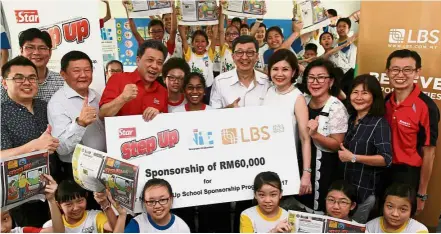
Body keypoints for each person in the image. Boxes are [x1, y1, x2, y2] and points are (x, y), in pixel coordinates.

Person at [1, 56, 60, 227]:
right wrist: (35, 146)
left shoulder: (46, 106)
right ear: (5, 83)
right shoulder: (2, 113)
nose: (27, 82)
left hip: (53, 189)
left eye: (32, 77)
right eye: (18, 78)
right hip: (21, 197)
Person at [384, 49, 440, 213]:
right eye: (395, 69)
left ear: (417, 72)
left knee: (398, 220)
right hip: (382, 167)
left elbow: (429, 154)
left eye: (407, 69)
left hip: (408, 174)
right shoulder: (387, 100)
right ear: (388, 72)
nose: (400, 74)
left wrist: (421, 193)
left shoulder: (426, 107)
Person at [295, 59, 349, 213]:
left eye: (321, 77)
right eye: (311, 77)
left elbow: (337, 144)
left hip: (323, 171)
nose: (315, 82)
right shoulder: (303, 100)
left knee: (316, 213)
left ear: (330, 81)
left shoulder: (336, 107)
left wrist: (315, 135)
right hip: (301, 165)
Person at [338, 74, 392, 223]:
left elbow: (386, 159)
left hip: (364, 194)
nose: (359, 97)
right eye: (355, 92)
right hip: (344, 193)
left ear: (374, 97)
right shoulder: (349, 119)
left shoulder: (379, 123)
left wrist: (354, 157)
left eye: (365, 93)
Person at [48, 51, 106, 179]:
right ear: (63, 74)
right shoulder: (57, 102)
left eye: (87, 70)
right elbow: (61, 148)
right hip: (77, 170)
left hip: (103, 164)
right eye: (76, 71)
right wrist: (80, 123)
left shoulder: (95, 95)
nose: (83, 75)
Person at [263, 49, 312, 196]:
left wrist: (306, 173)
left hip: (286, 163)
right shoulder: (269, 91)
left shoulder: (297, 98)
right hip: (265, 159)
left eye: (285, 69)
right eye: (275, 69)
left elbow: (305, 139)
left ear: (293, 72)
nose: (279, 74)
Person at [99, 40, 169, 121]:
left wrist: (159, 116)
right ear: (138, 61)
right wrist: (123, 98)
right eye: (150, 60)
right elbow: (102, 114)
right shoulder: (117, 79)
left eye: (159, 63)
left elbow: (164, 125)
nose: (154, 66)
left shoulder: (163, 92)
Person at [0, 28, 64, 102]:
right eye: (30, 47)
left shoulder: (62, 82)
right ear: (21, 51)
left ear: (50, 52)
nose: (36, 52)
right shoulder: (6, 82)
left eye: (42, 48)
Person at [210, 36, 270, 109]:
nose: (244, 57)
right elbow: (214, 114)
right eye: (239, 52)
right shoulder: (220, 82)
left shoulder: (267, 82)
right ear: (233, 56)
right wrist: (227, 110)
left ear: (257, 56)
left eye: (250, 52)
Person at [43, 180, 117, 233]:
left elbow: (115, 229)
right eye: (69, 204)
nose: (76, 208)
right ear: (58, 205)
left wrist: (105, 204)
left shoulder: (96, 216)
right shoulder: (50, 226)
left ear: (86, 197)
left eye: (80, 201)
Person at [124, 178, 190, 233]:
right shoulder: (137, 224)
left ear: (171, 199)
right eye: (151, 201)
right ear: (144, 202)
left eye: (162, 200)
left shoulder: (181, 227)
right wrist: (122, 216)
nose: (157, 206)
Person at [178, 26, 215, 101]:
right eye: (197, 41)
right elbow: (184, 38)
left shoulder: (210, 54)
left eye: (203, 41)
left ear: (207, 43)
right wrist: (181, 23)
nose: (200, 44)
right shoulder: (189, 55)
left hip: (208, 89)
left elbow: (214, 36)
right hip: (193, 89)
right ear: (192, 43)